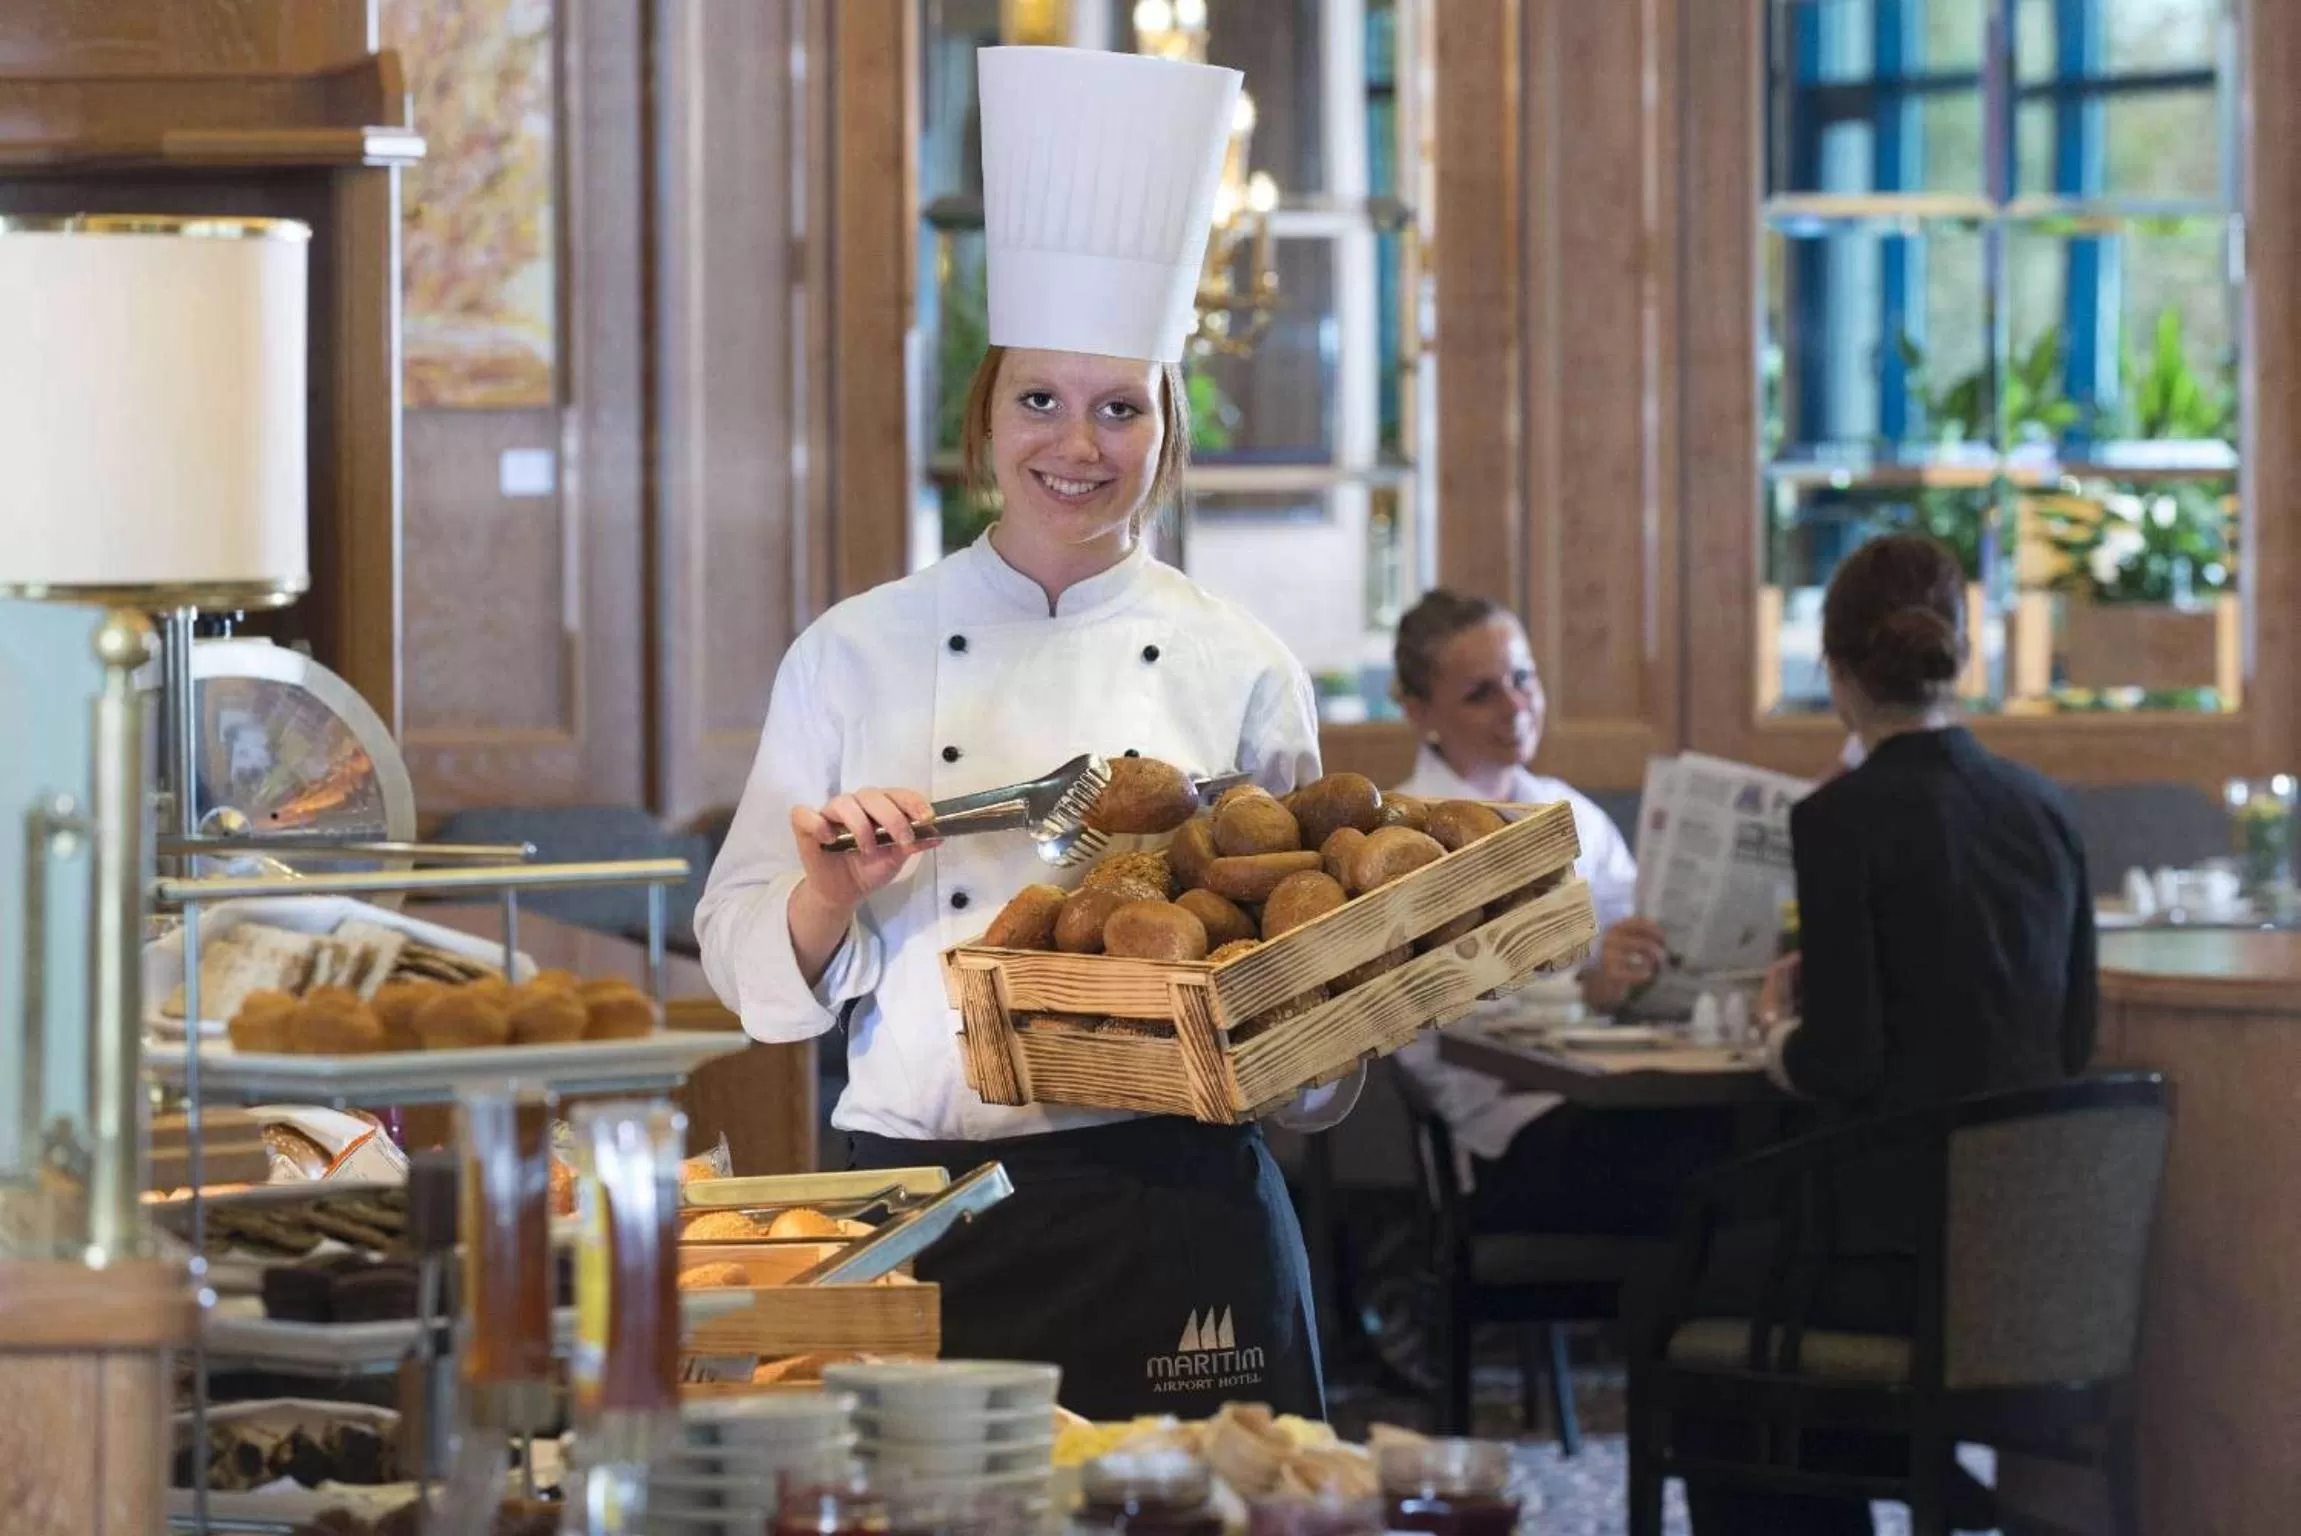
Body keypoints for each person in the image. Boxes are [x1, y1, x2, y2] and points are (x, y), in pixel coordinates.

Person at [695, 44, 1339, 1422]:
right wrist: (823, 895)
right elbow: (750, 981)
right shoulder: (854, 648)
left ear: (1167, 429)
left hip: (1175, 1207)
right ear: (983, 413)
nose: (1078, 444)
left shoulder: (1243, 664)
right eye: (1039, 398)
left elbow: (1317, 1026)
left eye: (1121, 407)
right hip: (920, 1202)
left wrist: (1340, 1010)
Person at [1682, 534, 2097, 1535]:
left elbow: (1845, 1062)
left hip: (1892, 1258)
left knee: (1690, 1297)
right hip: (2037, 1258)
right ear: (1962, 651)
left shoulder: (1841, 820)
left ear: (1833, 672)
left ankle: (1884, 1477)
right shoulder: (2047, 809)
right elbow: (2074, 1039)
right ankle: (1927, 1484)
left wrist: (1782, 1028)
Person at [1386, 590, 1731, 1237]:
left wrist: (1643, 964)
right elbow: (1431, 1020)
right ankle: (1669, 1333)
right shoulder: (1405, 839)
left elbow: (1637, 943)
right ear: (1418, 710)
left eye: (1523, 679)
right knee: (1711, 1159)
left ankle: (1678, 1330)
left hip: (1602, 1095)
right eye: (1480, 693)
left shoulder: (1575, 817)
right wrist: (1586, 990)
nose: (1515, 706)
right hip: (1501, 1132)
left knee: (1752, 1134)